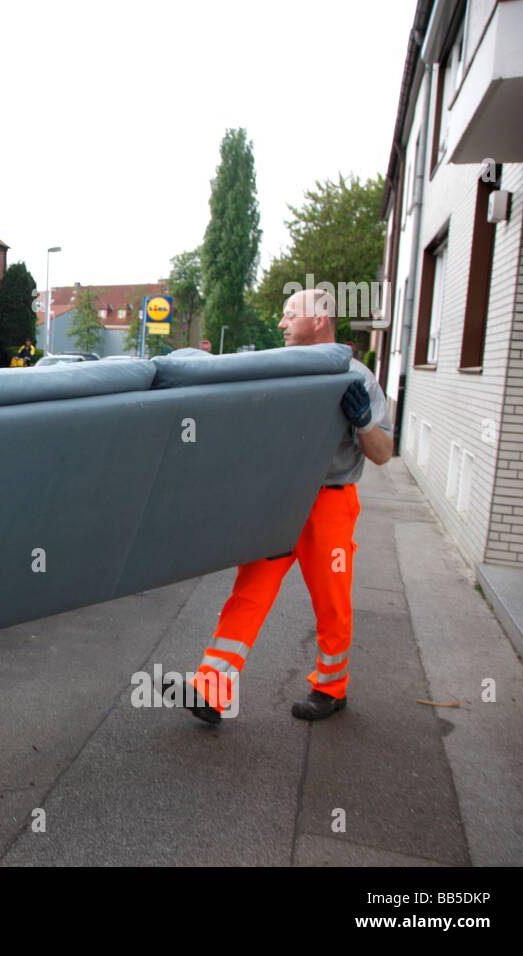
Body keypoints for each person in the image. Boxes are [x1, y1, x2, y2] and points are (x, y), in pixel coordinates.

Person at [183, 288, 393, 724]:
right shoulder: (279, 372)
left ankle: (330, 689)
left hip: (330, 502)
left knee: (332, 599)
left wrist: (365, 422)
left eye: (289, 315)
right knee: (251, 589)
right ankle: (210, 688)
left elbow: (383, 453)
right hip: (280, 499)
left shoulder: (357, 378)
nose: (280, 323)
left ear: (319, 320)